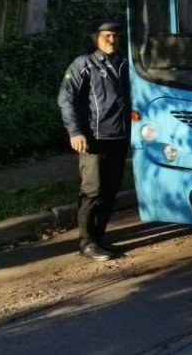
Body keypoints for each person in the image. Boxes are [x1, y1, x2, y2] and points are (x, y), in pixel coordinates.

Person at [58, 20, 131, 260]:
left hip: (119, 138)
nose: (112, 40)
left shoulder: (124, 64)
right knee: (93, 190)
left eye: (115, 36)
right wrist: (75, 132)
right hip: (93, 139)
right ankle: (86, 243)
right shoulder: (83, 64)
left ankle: (99, 238)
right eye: (107, 35)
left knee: (110, 191)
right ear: (95, 38)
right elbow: (66, 99)